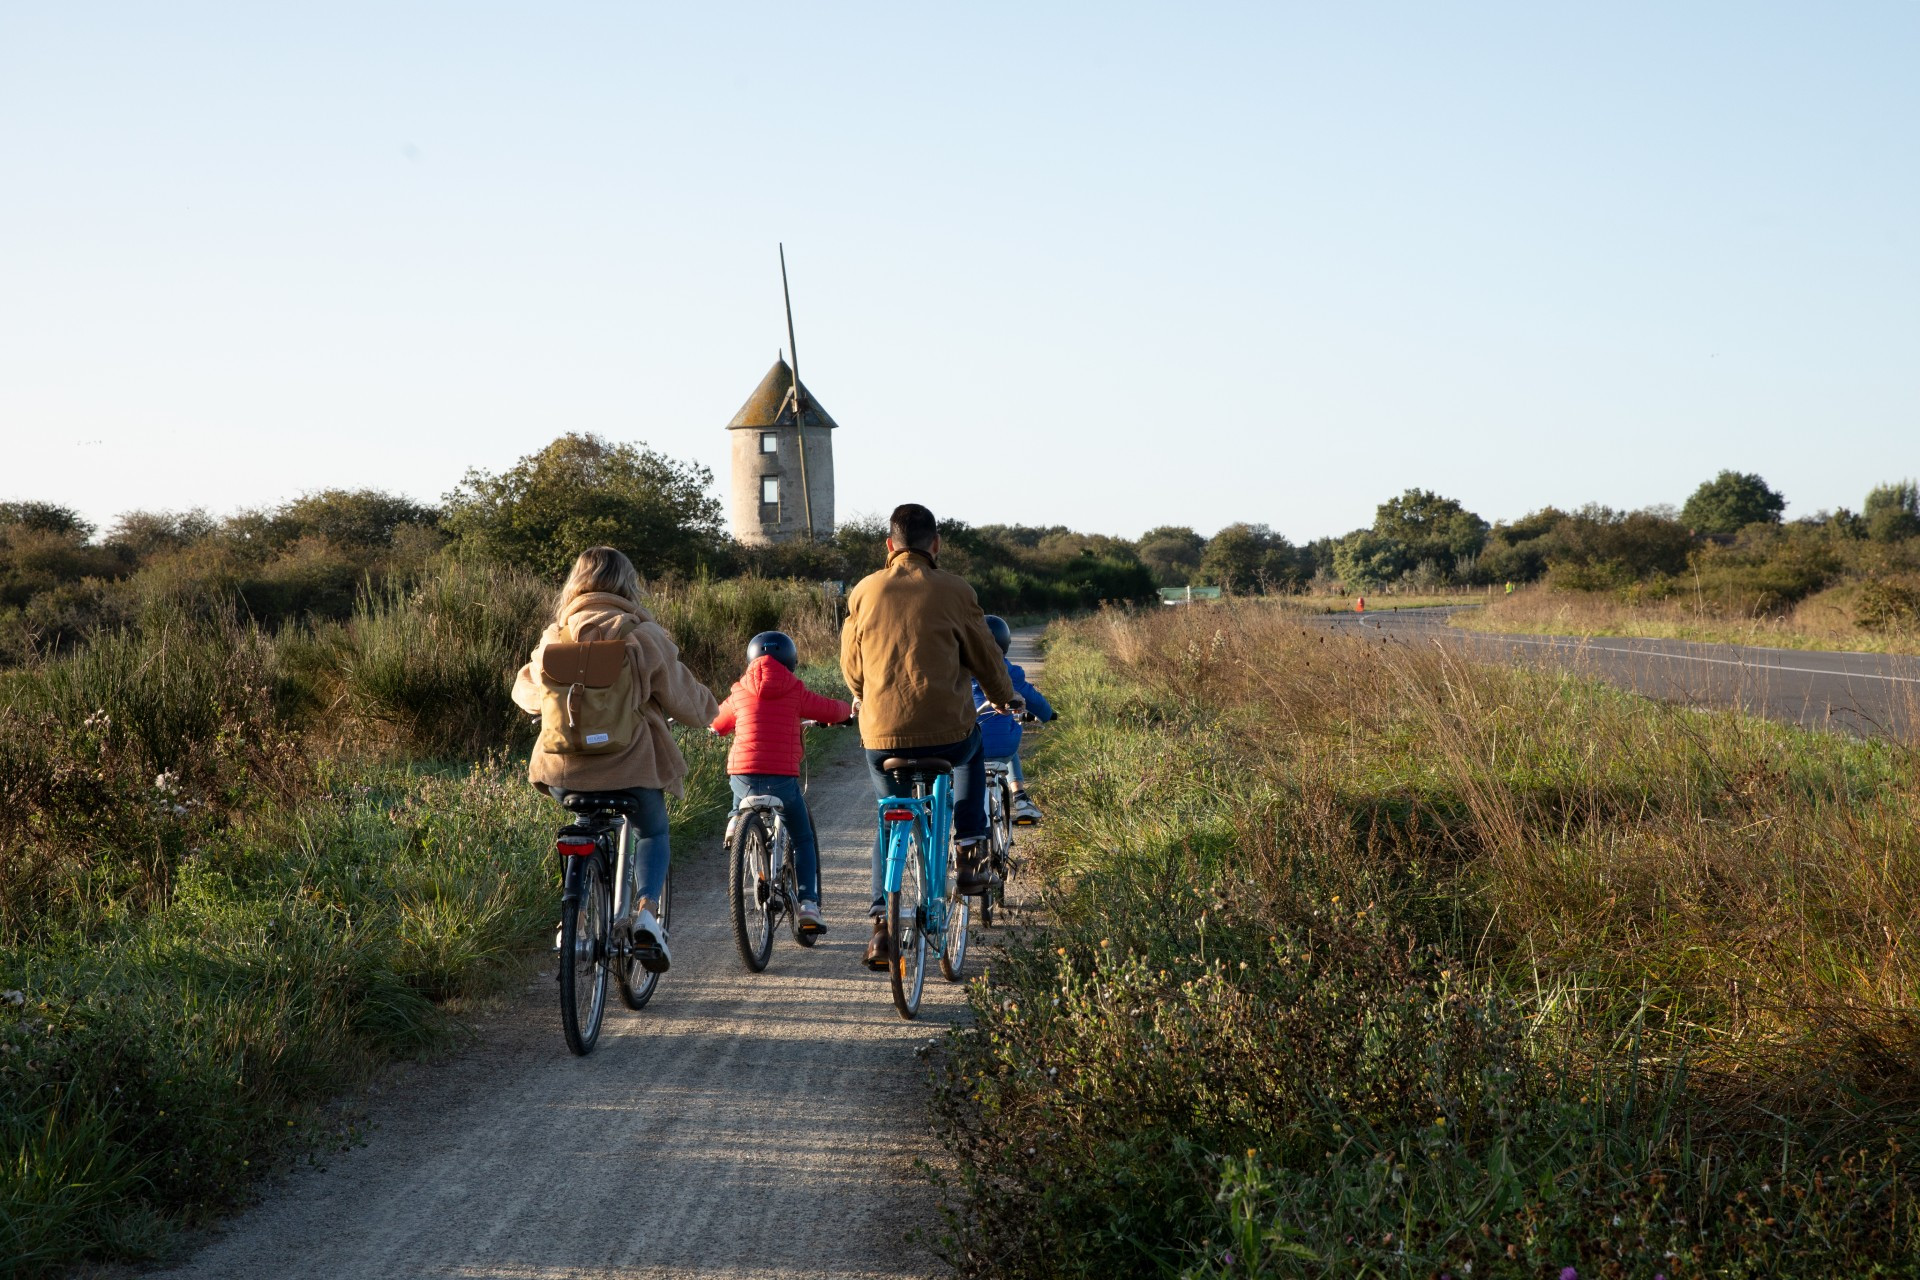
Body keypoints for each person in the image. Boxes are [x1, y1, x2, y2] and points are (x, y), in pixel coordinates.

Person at [511, 546, 719, 974]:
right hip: (632, 767)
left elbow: (526, 694)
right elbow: (688, 701)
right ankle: (645, 913)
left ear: (577, 582)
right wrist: (712, 712)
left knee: (580, 824)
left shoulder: (556, 636)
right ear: (628, 584)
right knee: (652, 832)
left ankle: (578, 915)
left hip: (564, 772)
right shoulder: (643, 636)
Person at [841, 502, 1018, 969]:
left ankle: (882, 926)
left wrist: (862, 693)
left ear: (889, 545)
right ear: (935, 544)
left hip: (881, 736)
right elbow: (985, 655)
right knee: (972, 750)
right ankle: (968, 850)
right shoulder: (957, 590)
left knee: (890, 816)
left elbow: (851, 665)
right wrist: (1004, 698)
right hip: (947, 733)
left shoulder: (864, 591)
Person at [710, 630, 854, 936]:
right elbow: (829, 708)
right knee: (802, 838)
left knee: (741, 785)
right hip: (782, 782)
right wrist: (847, 713)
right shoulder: (794, 689)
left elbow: (718, 723)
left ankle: (736, 820)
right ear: (790, 660)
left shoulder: (739, 691)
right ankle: (808, 905)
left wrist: (717, 727)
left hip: (744, 778)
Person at [972, 614, 1056, 825]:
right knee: (1009, 745)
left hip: (967, 742)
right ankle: (1020, 798)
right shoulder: (1009, 671)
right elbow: (1032, 698)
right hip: (1002, 748)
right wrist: (1048, 714)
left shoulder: (960, 671)